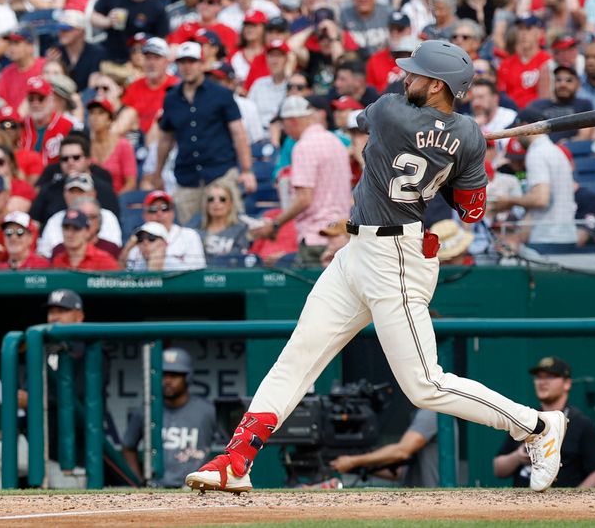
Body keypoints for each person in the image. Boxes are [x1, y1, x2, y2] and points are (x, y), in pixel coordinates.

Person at [185, 40, 568, 495]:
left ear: (439, 85)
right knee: (297, 357)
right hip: (357, 251)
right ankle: (237, 460)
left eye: (416, 74)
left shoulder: (391, 111)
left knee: (425, 384)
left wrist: (450, 149)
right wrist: (460, 153)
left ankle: (536, 427)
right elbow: (471, 209)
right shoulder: (462, 134)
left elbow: (389, 136)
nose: (406, 79)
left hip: (397, 262)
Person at [0, 290, 106, 489]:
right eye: (51, 311)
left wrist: (35, 401)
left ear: (79, 316)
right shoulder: (41, 350)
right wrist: (14, 426)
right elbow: (28, 395)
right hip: (35, 443)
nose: (54, 317)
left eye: (62, 311)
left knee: (68, 512)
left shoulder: (91, 350)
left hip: (71, 449)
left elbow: (81, 397)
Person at [147, 42, 256, 225]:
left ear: (202, 64)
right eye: (183, 62)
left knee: (230, 229)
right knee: (189, 231)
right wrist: (157, 173)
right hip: (187, 175)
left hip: (220, 172)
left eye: (192, 62)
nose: (187, 67)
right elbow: (166, 139)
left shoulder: (221, 94)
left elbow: (238, 133)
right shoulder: (171, 98)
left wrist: (246, 170)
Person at [252, 95, 352, 267]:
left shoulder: (303, 147)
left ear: (292, 120)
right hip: (341, 236)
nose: (284, 130)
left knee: (311, 293)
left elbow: (304, 198)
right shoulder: (335, 142)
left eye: (283, 124)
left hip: (316, 237)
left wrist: (276, 224)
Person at [493, 357, 595, 488]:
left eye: (550, 376)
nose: (542, 382)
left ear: (567, 383)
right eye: (539, 377)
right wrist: (517, 457)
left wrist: (575, 501)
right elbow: (498, 468)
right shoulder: (526, 419)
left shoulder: (582, 424)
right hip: (521, 504)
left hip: (561, 504)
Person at [123, 348, 218, 488]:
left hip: (196, 487)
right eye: (164, 375)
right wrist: (136, 482)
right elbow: (129, 447)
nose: (167, 381)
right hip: (156, 488)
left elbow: (229, 445)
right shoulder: (146, 410)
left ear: (188, 377)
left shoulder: (207, 410)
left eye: (174, 375)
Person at [490, 109, 577, 253]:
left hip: (549, 236)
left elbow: (541, 199)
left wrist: (509, 200)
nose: (515, 138)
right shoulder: (555, 150)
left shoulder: (536, 153)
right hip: (566, 234)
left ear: (525, 126)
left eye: (516, 132)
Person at [330, 409, 443, 487]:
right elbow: (402, 472)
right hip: (417, 501)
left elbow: (402, 451)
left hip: (435, 501)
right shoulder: (421, 413)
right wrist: (359, 465)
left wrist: (354, 461)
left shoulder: (431, 412)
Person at [38, 172, 122, 258]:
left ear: (93, 194)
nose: (76, 197)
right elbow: (44, 254)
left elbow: (112, 249)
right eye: (72, 192)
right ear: (64, 194)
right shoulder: (55, 219)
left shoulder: (107, 216)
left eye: (81, 192)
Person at [123, 190, 206, 271]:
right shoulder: (139, 236)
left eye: (164, 208)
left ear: (172, 213)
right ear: (144, 215)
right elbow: (127, 275)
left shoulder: (189, 235)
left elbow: (198, 271)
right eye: (153, 209)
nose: (159, 213)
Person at [114, 37, 178, 137]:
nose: (151, 63)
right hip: (137, 136)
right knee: (128, 113)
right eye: (148, 58)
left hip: (166, 138)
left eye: (156, 58)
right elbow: (126, 119)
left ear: (166, 61)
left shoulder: (176, 86)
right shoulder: (135, 85)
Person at [92, 0, 169, 65]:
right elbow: (93, 16)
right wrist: (107, 21)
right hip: (112, 59)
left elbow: (162, 40)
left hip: (140, 64)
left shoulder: (157, 7)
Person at [495, 15, 551, 109]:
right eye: (520, 29)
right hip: (511, 114)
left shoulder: (547, 61)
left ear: (540, 33)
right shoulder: (505, 64)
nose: (523, 33)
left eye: (528, 29)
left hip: (536, 115)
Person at [526, 66, 594, 143]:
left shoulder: (583, 105)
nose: (563, 84)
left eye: (569, 80)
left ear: (578, 84)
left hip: (571, 150)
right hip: (541, 148)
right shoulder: (538, 105)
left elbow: (584, 136)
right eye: (558, 80)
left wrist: (567, 143)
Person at [46, 10, 105, 93]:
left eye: (66, 29)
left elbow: (93, 86)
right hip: (61, 97)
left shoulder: (95, 52)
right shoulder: (55, 51)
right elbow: (49, 84)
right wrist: (52, 65)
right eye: (60, 29)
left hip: (87, 101)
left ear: (81, 31)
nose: (61, 33)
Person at [22, 76, 76, 165]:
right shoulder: (20, 125)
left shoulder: (67, 126)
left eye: (41, 98)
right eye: (31, 99)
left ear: (50, 100)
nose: (35, 104)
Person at [87, 99, 137, 194]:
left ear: (110, 120)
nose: (95, 117)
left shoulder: (123, 145)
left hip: (118, 198)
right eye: (92, 113)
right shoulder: (86, 145)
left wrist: (114, 201)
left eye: (101, 113)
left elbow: (131, 183)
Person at [198, 179, 250, 263]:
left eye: (222, 199)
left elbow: (240, 258)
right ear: (206, 204)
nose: (216, 203)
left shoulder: (241, 229)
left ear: (230, 204)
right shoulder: (194, 229)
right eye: (211, 199)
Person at [0, 30, 46, 111]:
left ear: (30, 47)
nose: (11, 48)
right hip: (14, 121)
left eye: (16, 43)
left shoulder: (45, 66)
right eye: (10, 44)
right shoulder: (7, 71)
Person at [51, 209, 120, 270]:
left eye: (76, 229)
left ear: (87, 232)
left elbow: (118, 282)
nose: (70, 234)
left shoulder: (104, 261)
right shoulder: (58, 260)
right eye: (66, 229)